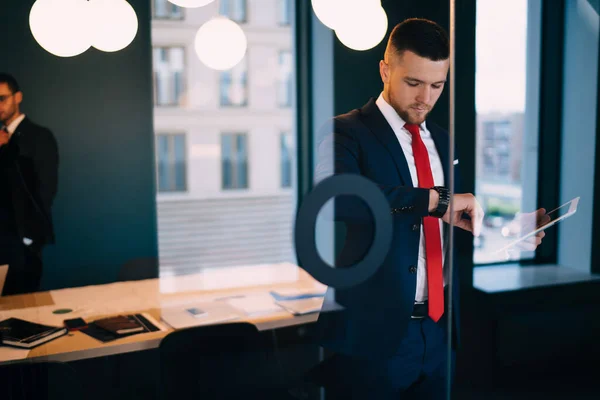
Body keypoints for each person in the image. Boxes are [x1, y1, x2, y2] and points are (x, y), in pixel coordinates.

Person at [309, 19, 548, 399]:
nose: (426, 98)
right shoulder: (346, 130)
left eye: (437, 85)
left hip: (437, 332)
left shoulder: (443, 140)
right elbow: (337, 199)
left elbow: (450, 223)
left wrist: (503, 232)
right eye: (413, 83)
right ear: (386, 69)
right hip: (372, 336)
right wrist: (436, 200)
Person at [0, 73, 59, 296]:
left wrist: (28, 237)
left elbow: (46, 188)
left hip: (22, 239)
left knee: (23, 305)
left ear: (18, 97)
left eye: (2, 98)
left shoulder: (39, 136)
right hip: (4, 237)